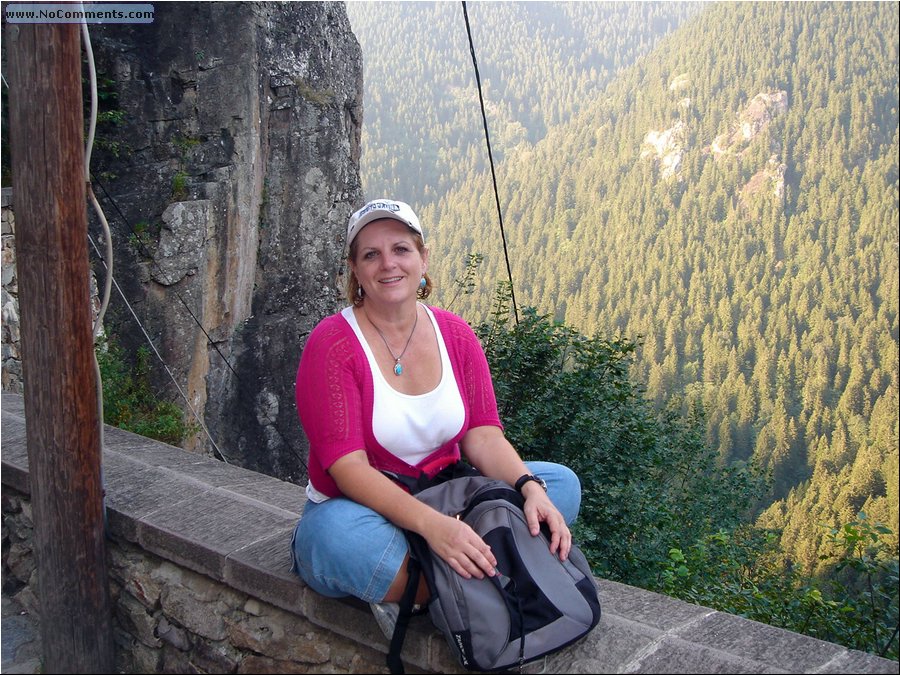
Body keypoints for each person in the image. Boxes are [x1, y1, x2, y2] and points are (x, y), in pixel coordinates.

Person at [290, 198, 582, 636]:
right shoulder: (332, 344)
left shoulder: (456, 335)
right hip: (365, 510)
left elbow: (482, 436)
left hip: (449, 495)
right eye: (371, 254)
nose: (388, 264)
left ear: (423, 258)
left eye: (401, 249)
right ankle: (486, 575)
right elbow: (347, 469)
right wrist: (435, 528)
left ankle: (427, 586)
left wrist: (528, 487)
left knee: (560, 486)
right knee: (331, 541)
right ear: (355, 269)